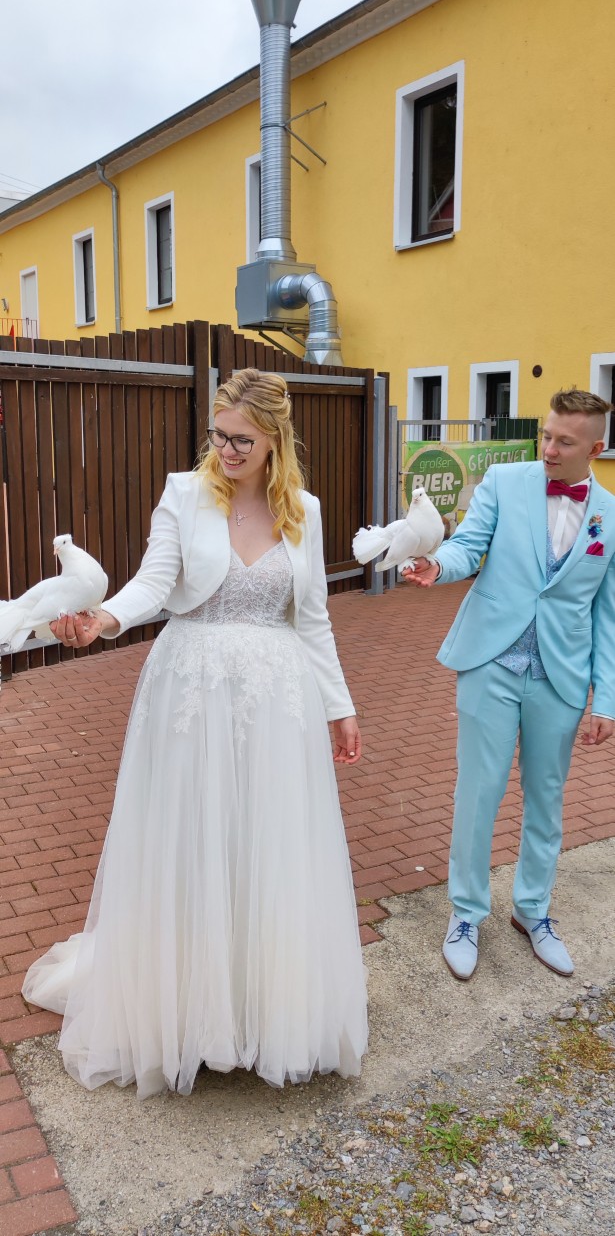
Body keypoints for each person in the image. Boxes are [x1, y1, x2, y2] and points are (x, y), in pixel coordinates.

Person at [22, 368, 368, 1096]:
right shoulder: (184, 493)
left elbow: (312, 618)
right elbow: (154, 583)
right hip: (190, 688)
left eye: (242, 440)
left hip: (275, 700)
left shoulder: (303, 510)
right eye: (219, 436)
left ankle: (258, 1005)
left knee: (263, 842)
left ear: (274, 440)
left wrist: (339, 707)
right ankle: (184, 1009)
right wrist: (103, 619)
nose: (226, 451)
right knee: (189, 835)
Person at [403, 389, 615, 981]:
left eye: (564, 441)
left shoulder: (610, 514)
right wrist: (439, 564)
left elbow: (608, 616)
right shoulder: (503, 481)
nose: (549, 448)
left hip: (562, 678)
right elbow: (470, 545)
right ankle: (466, 913)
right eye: (547, 435)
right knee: (479, 792)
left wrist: (607, 700)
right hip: (490, 662)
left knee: (546, 799)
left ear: (596, 448)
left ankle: (533, 911)